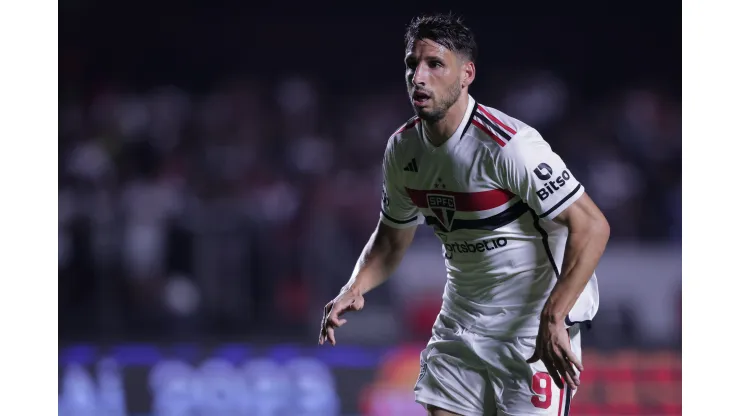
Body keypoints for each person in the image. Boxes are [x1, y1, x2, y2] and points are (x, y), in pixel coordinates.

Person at [318, 13, 610, 416]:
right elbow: (391, 237)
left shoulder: (509, 146)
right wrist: (356, 286)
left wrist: (555, 315)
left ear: (466, 73)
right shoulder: (402, 150)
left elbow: (592, 226)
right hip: (461, 325)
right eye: (412, 64)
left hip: (532, 331)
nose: (418, 77)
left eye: (435, 64)